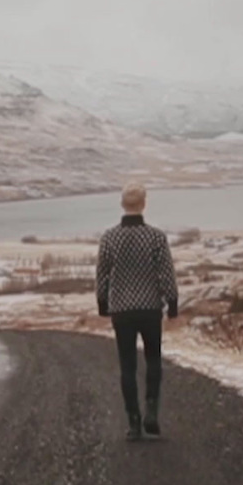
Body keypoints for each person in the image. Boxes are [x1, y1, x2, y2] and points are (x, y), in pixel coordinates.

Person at [96, 182, 179, 441]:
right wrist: (172, 302)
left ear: (123, 204)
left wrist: (102, 303)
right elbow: (165, 272)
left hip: (122, 310)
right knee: (153, 360)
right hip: (150, 308)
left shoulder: (109, 238)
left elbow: (102, 275)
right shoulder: (155, 237)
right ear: (144, 204)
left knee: (127, 366)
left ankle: (133, 422)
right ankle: (151, 410)